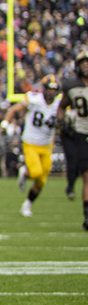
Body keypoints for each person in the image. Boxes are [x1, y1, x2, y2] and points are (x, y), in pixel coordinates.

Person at [4, 75, 60, 217]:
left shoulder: (59, 104)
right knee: (35, 172)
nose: (52, 92)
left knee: (41, 180)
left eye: (54, 89)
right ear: (44, 89)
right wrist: (5, 123)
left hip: (47, 145)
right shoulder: (34, 99)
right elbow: (14, 109)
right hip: (31, 142)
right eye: (49, 89)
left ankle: (27, 205)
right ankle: (24, 171)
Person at [59, 50, 88, 230]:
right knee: (86, 174)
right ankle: (87, 216)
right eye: (83, 63)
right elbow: (61, 106)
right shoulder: (72, 85)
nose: (86, 65)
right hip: (82, 133)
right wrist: (62, 123)